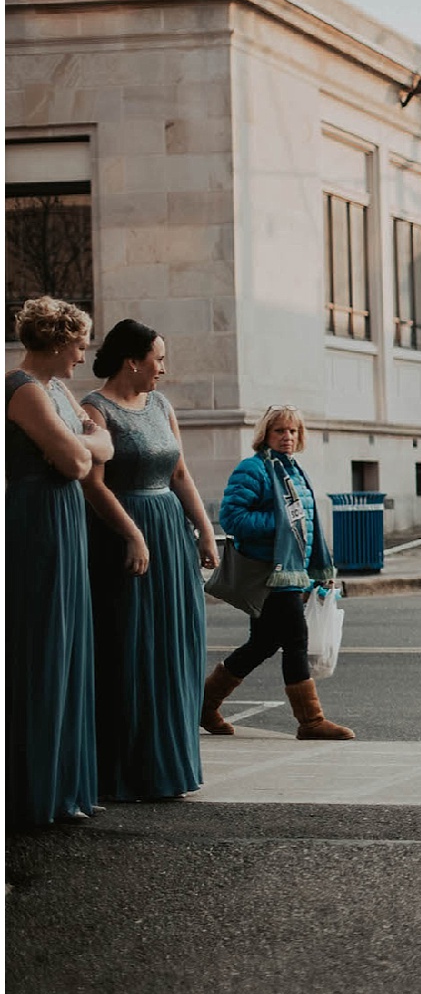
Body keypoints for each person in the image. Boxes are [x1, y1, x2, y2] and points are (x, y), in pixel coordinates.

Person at [81, 319, 218, 800]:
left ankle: (171, 768)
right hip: (124, 533)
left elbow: (180, 472)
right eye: (158, 359)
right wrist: (134, 536)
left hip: (170, 532)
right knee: (132, 647)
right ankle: (129, 771)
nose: (163, 368)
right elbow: (92, 485)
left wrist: (204, 531)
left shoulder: (161, 404)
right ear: (132, 361)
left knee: (175, 646)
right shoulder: (95, 410)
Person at [7, 296, 113, 825]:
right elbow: (78, 460)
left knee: (69, 645)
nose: (82, 353)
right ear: (55, 341)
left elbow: (106, 445)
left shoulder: (56, 390)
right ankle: (33, 788)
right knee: (43, 644)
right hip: (36, 523)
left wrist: (86, 442)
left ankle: (64, 784)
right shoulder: (22, 388)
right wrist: (86, 441)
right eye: (77, 343)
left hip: (62, 519)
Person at [206, 405, 353, 740]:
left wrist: (314, 573)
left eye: (293, 432)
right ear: (266, 435)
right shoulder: (254, 469)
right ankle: (311, 720)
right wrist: (280, 524)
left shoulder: (294, 472)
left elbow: (306, 528)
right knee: (295, 639)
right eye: (280, 431)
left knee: (262, 644)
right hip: (268, 573)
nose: (288, 437)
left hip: (291, 572)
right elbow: (232, 518)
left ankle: (204, 704)